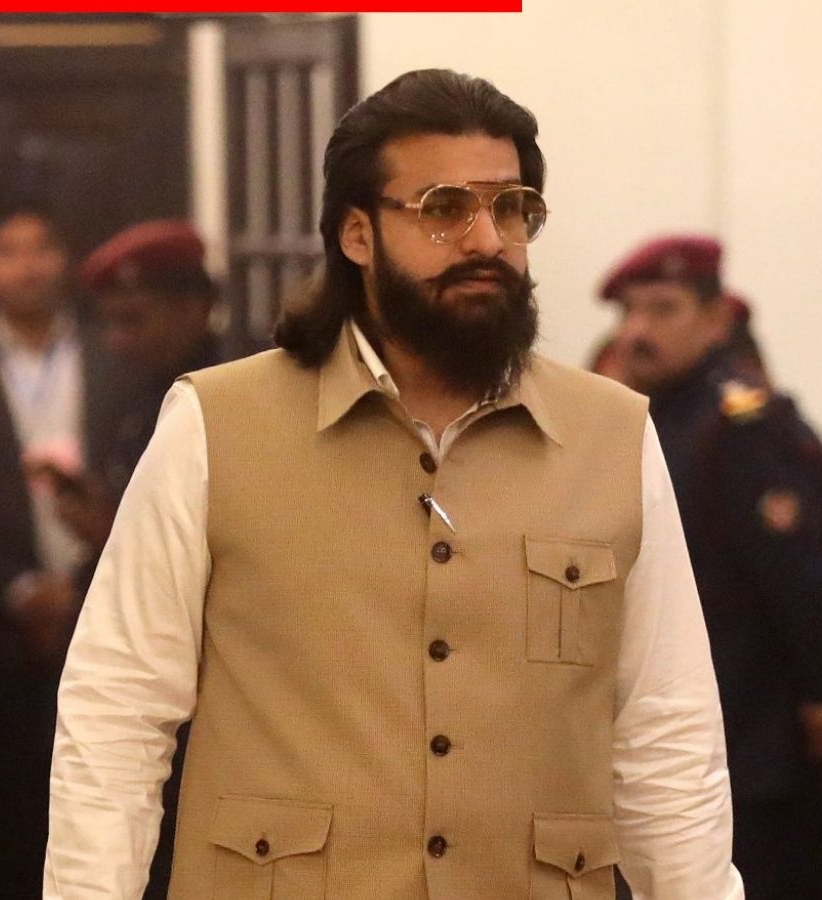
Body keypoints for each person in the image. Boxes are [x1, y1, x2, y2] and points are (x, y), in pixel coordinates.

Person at [45, 70, 744, 900]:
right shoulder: (216, 424)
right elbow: (118, 711)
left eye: (511, 208)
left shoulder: (613, 436)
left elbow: (666, 732)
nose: (486, 240)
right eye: (444, 208)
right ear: (358, 234)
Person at [600, 235, 822, 900]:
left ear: (716, 319)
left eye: (663, 309)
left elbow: (808, 592)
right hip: (689, 746)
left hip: (763, 752)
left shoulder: (741, 428)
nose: (637, 331)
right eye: (631, 311)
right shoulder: (661, 420)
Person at [0, 203, 113, 899]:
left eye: (42, 246)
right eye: (7, 250)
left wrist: (81, 585)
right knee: (1, 818)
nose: (28, 265)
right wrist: (18, 590)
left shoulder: (111, 350)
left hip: (101, 602)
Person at [62, 220, 226, 899]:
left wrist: (108, 529)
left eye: (134, 319)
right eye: (110, 323)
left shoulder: (235, 398)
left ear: (195, 306)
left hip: (214, 689)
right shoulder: (132, 396)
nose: (118, 341)